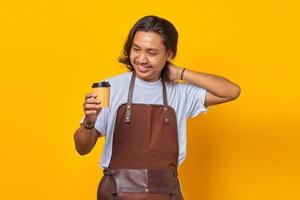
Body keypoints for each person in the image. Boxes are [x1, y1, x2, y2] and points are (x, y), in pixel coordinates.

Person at [74, 15, 240, 200]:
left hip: (165, 194)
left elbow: (231, 91)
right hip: (116, 193)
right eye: (136, 49)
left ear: (168, 54)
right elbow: (82, 148)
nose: (141, 59)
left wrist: (179, 72)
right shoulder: (109, 88)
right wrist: (89, 122)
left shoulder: (180, 93)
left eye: (151, 53)